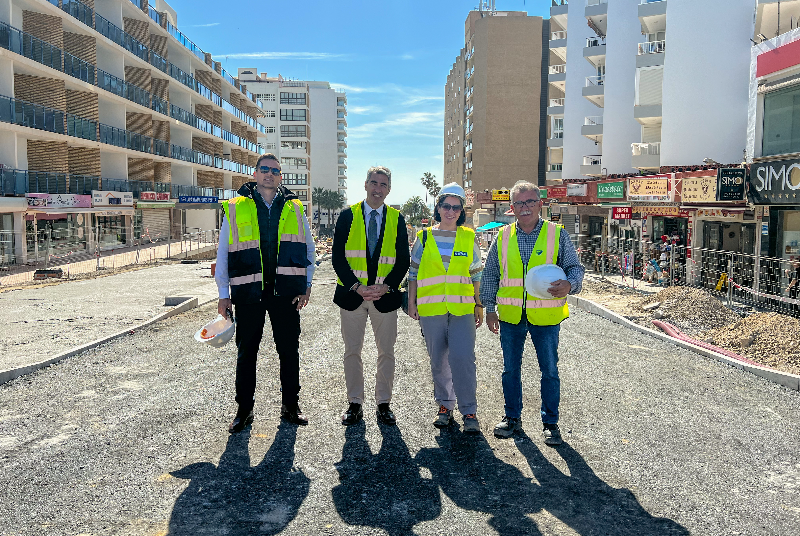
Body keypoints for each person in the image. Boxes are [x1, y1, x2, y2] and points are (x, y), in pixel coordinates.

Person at [215, 153, 316, 433]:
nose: (269, 174)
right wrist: (224, 293)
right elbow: (223, 252)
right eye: (264, 169)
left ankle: (290, 405)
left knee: (289, 351)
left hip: (286, 293)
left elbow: (309, 249)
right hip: (249, 292)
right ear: (255, 173)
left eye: (274, 170)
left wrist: (307, 284)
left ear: (280, 176)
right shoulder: (236, 207)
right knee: (247, 352)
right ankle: (244, 410)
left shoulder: (295, 208)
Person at [480, 181, 585, 446]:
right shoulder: (502, 237)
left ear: (540, 204)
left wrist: (570, 284)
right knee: (510, 370)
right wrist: (490, 309)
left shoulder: (557, 234)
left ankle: (550, 423)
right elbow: (491, 274)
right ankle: (512, 418)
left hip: (546, 317)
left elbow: (575, 268)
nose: (525, 208)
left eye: (529, 202)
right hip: (511, 316)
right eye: (519, 203)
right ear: (512, 208)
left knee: (549, 371)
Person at [332, 166, 410, 426]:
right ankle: (354, 403)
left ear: (389, 189)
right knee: (352, 351)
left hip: (384, 298)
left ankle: (383, 403)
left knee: (386, 352)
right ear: (365, 185)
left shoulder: (397, 219)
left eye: (383, 185)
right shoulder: (347, 215)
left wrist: (387, 286)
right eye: (374, 183)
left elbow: (402, 260)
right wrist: (356, 286)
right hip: (353, 296)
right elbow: (337, 258)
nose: (378, 189)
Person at [407, 183, 484, 433]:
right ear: (438, 207)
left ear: (461, 211)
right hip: (431, 309)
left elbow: (476, 275)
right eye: (446, 206)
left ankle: (469, 410)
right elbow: (414, 273)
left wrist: (479, 305)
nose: (450, 211)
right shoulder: (424, 237)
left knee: (463, 358)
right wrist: (411, 302)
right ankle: (445, 406)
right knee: (438, 360)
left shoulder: (468, 237)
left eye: (456, 207)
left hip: (462, 309)